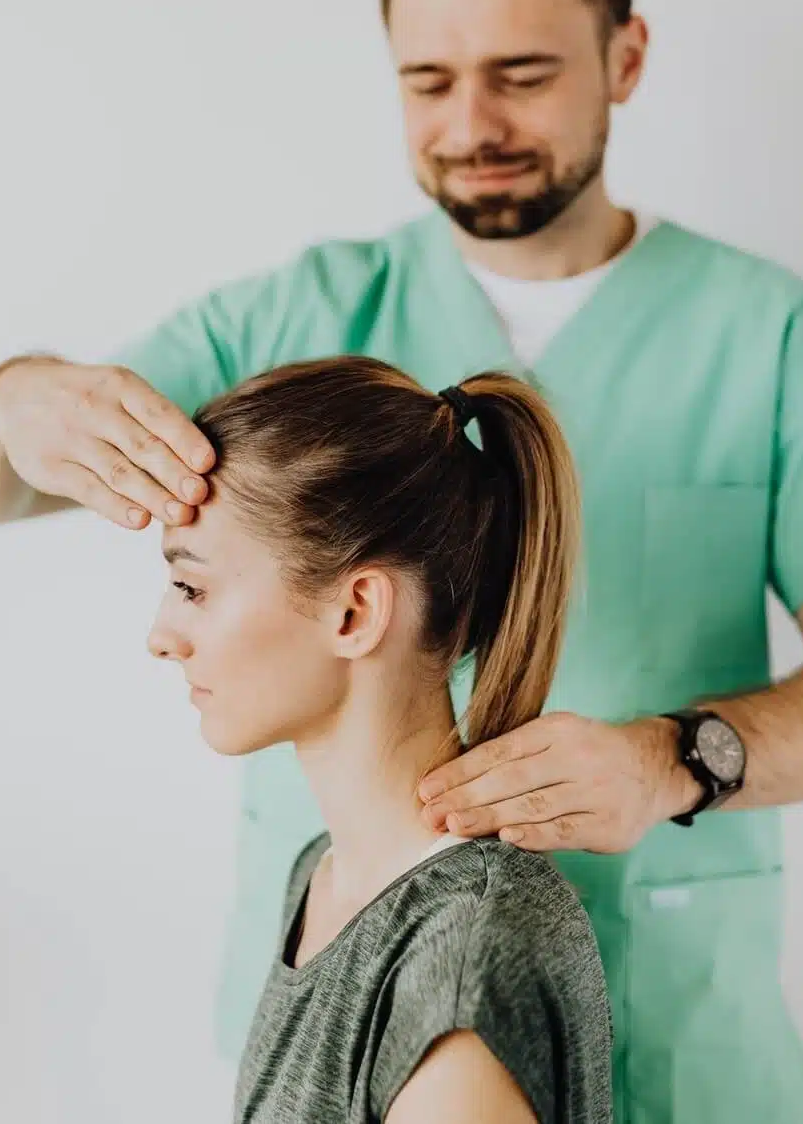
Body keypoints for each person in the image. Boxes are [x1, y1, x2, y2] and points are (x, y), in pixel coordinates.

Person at [0, 0, 803, 1124]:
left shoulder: (764, 336)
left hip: (678, 1045)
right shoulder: (295, 319)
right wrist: (12, 397)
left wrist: (684, 758)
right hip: (351, 1013)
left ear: (625, 57)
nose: (471, 125)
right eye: (428, 82)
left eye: (524, 74)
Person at [148, 355, 612, 1122]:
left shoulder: (462, 958)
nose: (161, 637)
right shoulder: (324, 877)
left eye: (192, 587)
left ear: (355, 613)